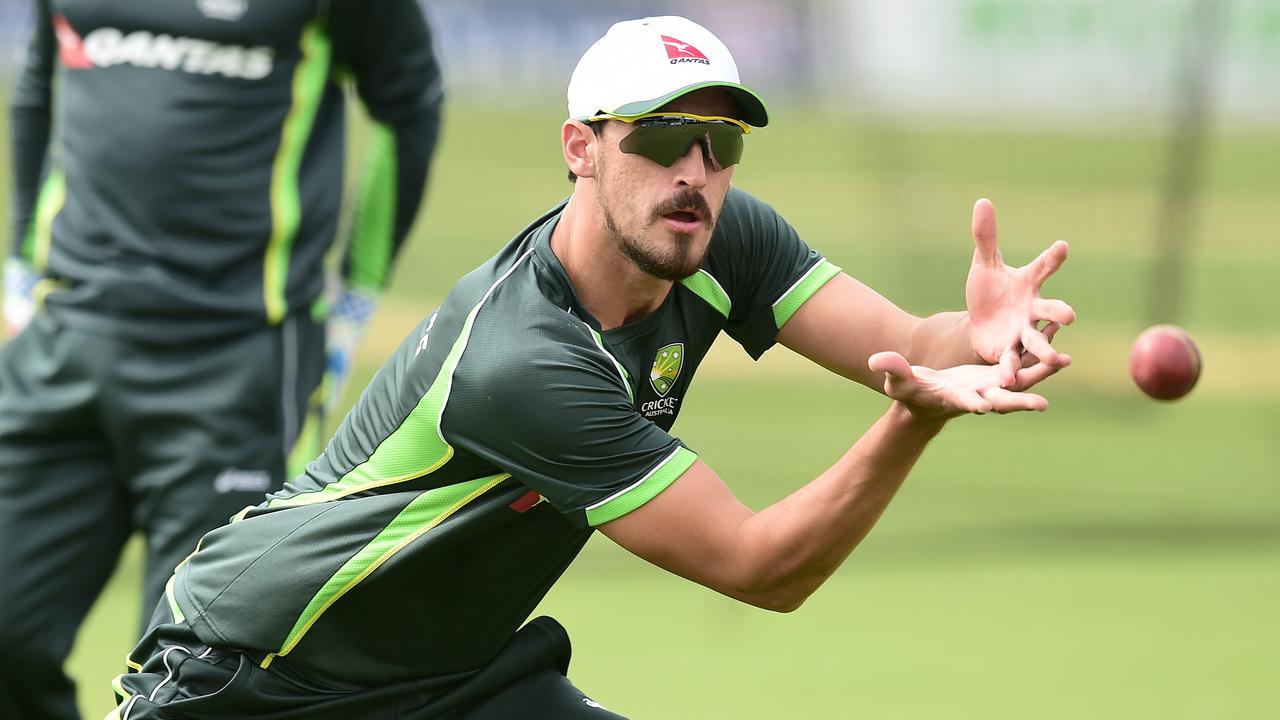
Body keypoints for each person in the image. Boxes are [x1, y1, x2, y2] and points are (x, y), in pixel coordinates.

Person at [109, 15, 1074, 720]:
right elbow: (762, 565)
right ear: (581, 147)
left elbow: (905, 345)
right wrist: (917, 418)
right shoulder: (523, 363)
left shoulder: (716, 238)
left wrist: (979, 335)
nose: (693, 170)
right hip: (258, 679)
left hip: (448, 679)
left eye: (721, 141)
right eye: (658, 138)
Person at [0, 1, 444, 718]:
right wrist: (22, 266)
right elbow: (37, 83)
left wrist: (358, 295)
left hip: (237, 362)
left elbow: (409, 103)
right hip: (64, 342)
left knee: (194, 678)